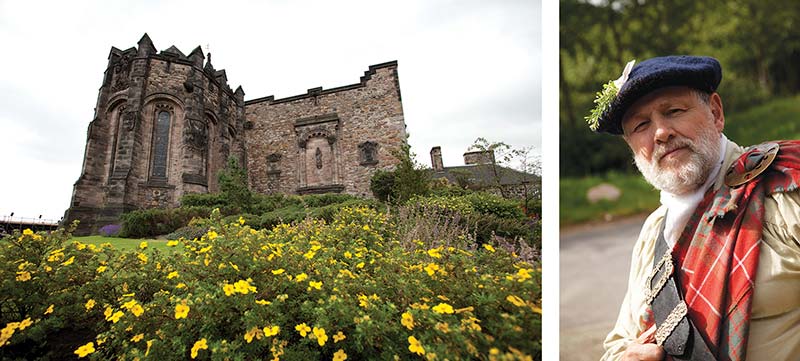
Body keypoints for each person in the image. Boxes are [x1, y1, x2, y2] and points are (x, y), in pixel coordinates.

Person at [588, 56, 800, 361]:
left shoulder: (786, 191)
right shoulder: (652, 231)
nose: (660, 132)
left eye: (673, 111)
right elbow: (622, 340)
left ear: (715, 112)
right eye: (641, 125)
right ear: (633, 147)